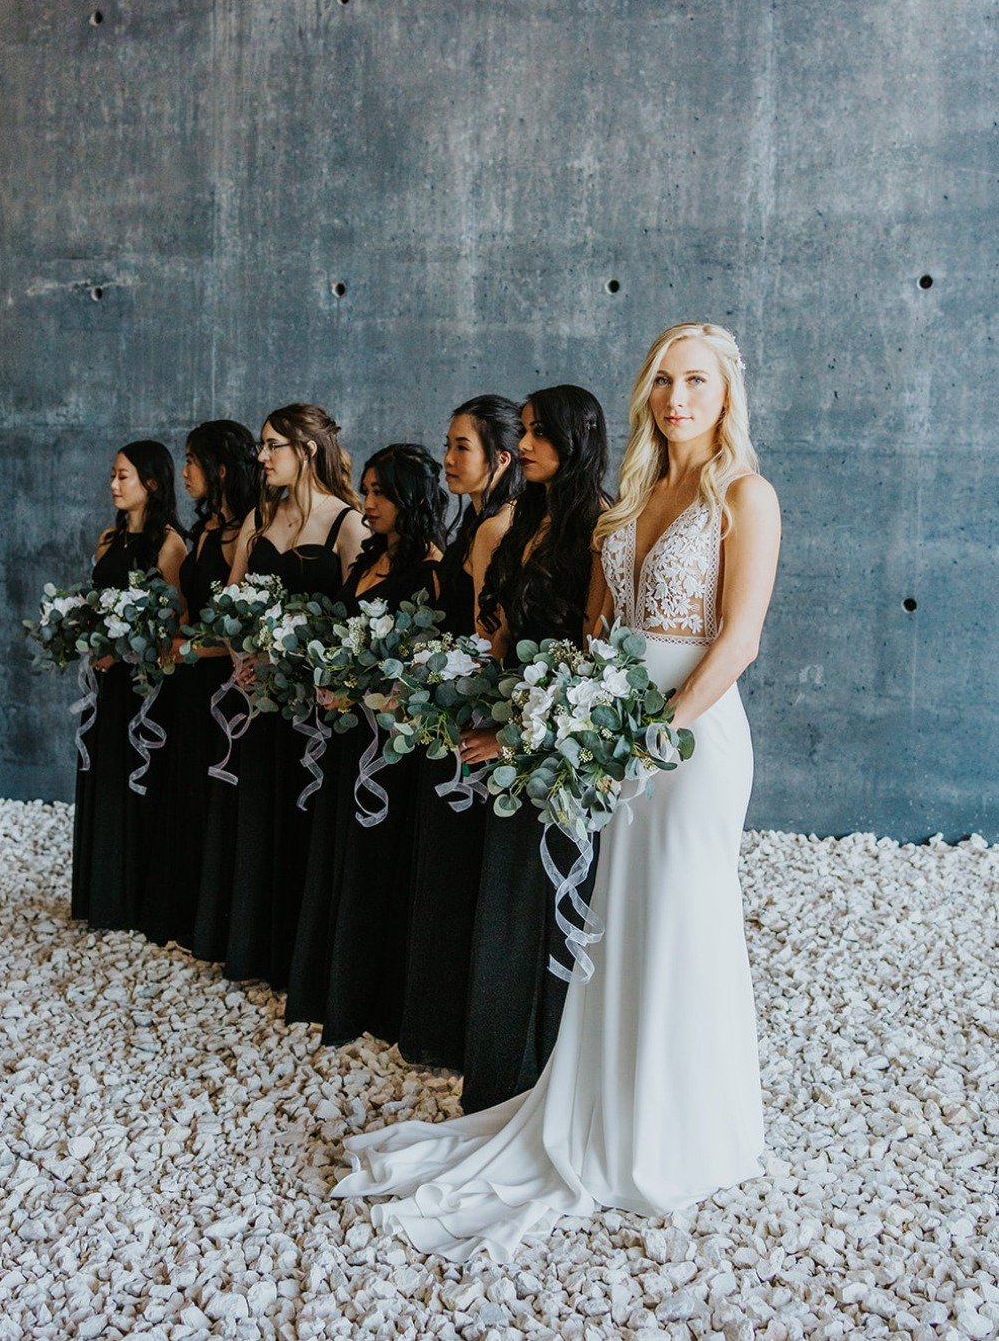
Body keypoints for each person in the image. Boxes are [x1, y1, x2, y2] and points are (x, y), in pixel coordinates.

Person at [332, 323, 781, 1264]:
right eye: (662, 379)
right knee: (617, 918)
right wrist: (546, 726)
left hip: (691, 743)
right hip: (612, 731)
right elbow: (591, 637)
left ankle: (690, 1129)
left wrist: (652, 738)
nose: (677, 397)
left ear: (728, 392)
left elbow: (736, 643)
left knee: (686, 913)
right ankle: (606, 1108)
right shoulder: (632, 499)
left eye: (696, 380)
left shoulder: (745, 495)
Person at [458, 385, 610, 1112]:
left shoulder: (605, 528)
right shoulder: (524, 522)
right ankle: (499, 1072)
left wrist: (520, 731)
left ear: (578, 439)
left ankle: (551, 1076)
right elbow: (500, 635)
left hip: (560, 741)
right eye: (520, 431)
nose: (524, 445)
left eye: (539, 433)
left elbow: (597, 655)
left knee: (554, 897)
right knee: (506, 900)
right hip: (509, 724)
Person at [193, 405, 363, 984]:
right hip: (259, 700)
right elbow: (230, 600)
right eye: (261, 448)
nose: (260, 458)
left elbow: (357, 622)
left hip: (316, 705)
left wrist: (300, 663)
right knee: (259, 810)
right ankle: (253, 945)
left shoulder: (348, 524)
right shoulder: (259, 517)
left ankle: (301, 957)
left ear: (307, 451)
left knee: (306, 817)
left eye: (272, 446)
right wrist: (243, 656)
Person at [286, 444, 447, 1045]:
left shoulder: (430, 569)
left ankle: (371, 997)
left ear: (410, 499)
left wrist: (368, 694)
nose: (368, 503)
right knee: (339, 846)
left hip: (392, 747)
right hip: (346, 733)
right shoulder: (366, 559)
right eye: (367, 490)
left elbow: (426, 668)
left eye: (380, 493)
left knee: (380, 857)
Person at [400, 396, 524, 1070]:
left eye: (461, 448)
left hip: (471, 718)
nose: (447, 459)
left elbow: (487, 643)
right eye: (446, 445)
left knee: (460, 871)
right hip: (449, 707)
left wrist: (436, 695)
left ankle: (455, 1030)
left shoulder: (495, 528)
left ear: (501, 459)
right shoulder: (471, 519)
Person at [139, 420, 260, 949]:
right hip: (189, 680)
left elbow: (240, 625)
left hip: (226, 681)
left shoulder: (254, 528)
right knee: (186, 788)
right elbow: (190, 608)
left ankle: (220, 920)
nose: (184, 470)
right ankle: (185, 907)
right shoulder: (208, 530)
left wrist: (191, 647)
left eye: (192, 460)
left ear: (222, 469)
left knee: (220, 793)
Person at [72, 441, 187, 930]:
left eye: (123, 477)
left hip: (145, 687)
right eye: (113, 476)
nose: (114, 485)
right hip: (104, 684)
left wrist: (125, 649)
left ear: (152, 484)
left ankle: (136, 900)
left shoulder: (170, 544)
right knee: (103, 771)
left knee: (138, 778)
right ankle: (101, 896)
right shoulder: (107, 539)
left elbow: (179, 622)